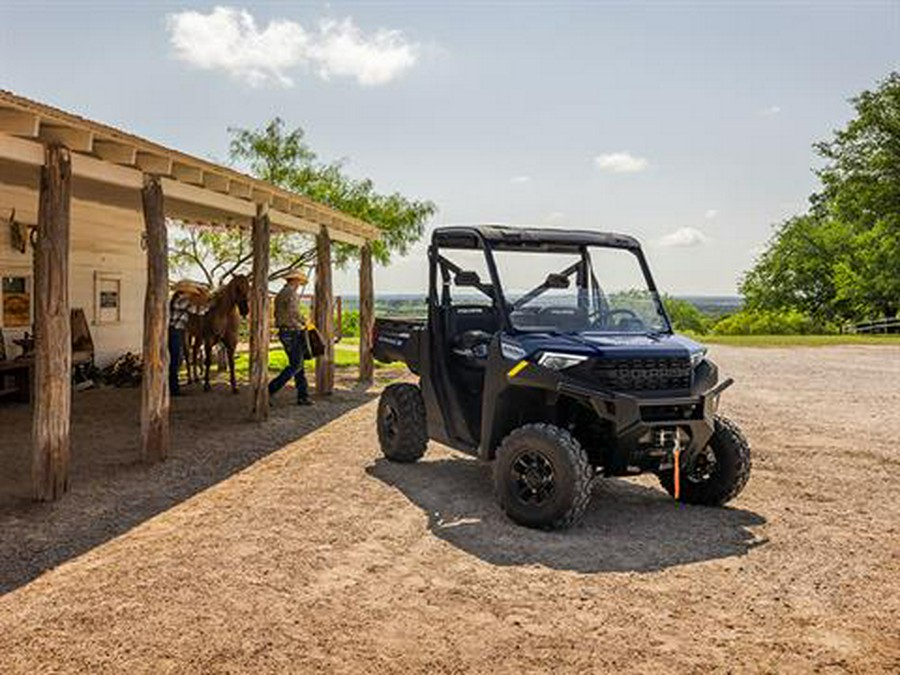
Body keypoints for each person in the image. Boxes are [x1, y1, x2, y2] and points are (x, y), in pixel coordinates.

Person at [268, 270, 313, 405]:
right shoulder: (291, 293)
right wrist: (306, 322)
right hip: (292, 332)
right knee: (296, 365)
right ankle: (269, 390)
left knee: (298, 364)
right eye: (299, 281)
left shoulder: (281, 294)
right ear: (294, 280)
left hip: (285, 331)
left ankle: (302, 396)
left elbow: (279, 313)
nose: (300, 284)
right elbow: (294, 312)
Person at [168, 280, 207, 396]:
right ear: (185, 292)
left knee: (176, 359)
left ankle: (172, 386)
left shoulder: (178, 300)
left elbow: (199, 311)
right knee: (175, 360)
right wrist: (204, 298)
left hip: (176, 331)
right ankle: (173, 388)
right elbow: (199, 311)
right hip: (174, 331)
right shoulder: (181, 300)